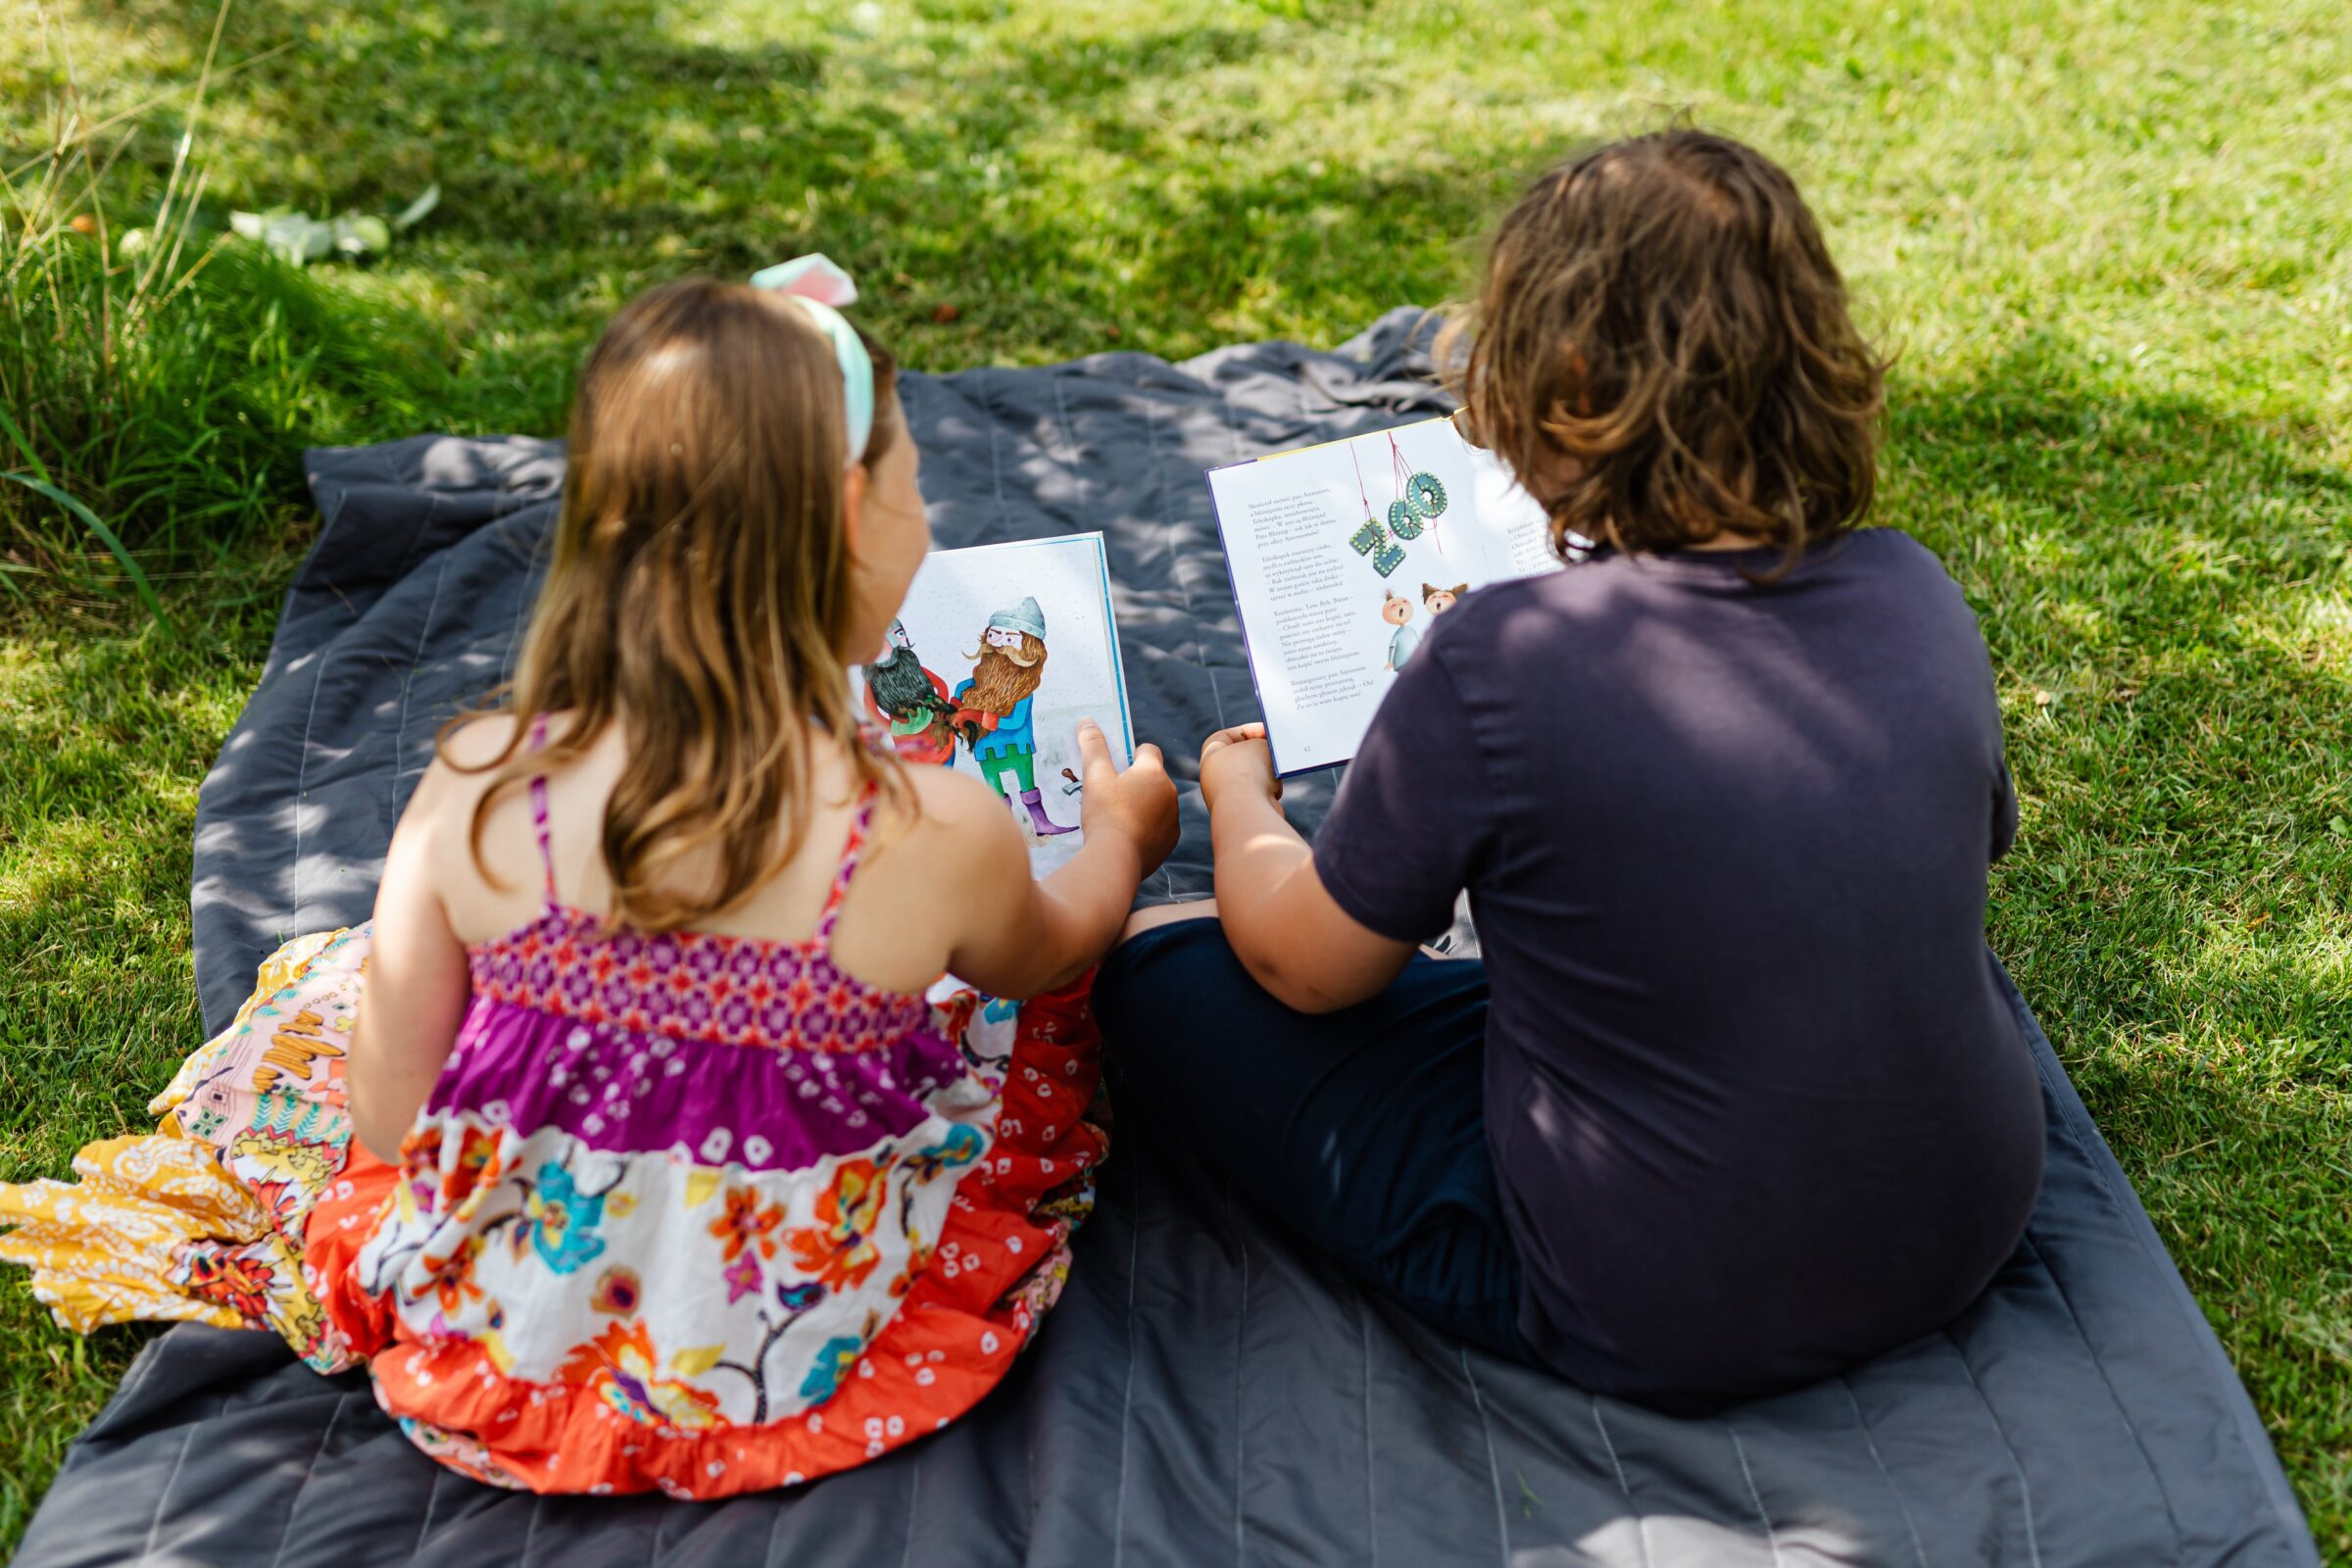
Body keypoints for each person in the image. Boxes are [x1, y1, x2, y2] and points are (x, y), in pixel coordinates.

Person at [1, 263, 1178, 1498]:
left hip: (505, 1338)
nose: (926, 514)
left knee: (347, 993)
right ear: (843, 512)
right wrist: (1119, 834)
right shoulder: (936, 826)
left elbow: (395, 1124)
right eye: (914, 482)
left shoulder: (477, 786)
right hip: (786, 1350)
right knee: (1016, 1019)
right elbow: (1056, 946)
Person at [1095, 131, 2045, 1413]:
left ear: (1552, 391)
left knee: (1163, 969)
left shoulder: (1503, 655)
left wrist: (1239, 808)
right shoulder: (1915, 591)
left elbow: (1306, 967)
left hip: (1649, 1297)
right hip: (1960, 1218)